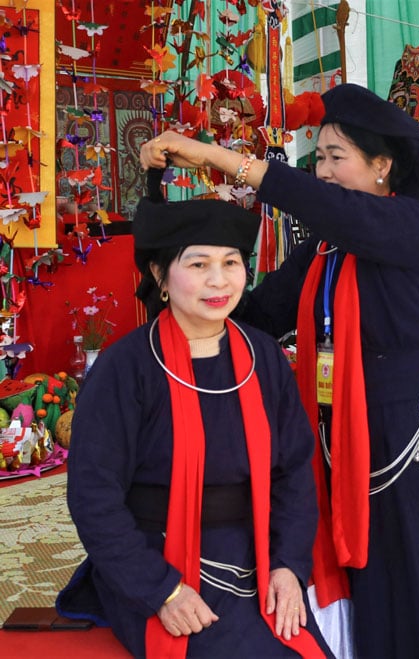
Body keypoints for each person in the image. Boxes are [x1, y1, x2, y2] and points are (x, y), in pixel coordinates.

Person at [139, 83, 419, 659]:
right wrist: (191, 286)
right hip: (350, 437)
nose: (325, 171)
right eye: (318, 158)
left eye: (338, 157)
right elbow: (260, 314)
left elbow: (324, 205)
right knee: (382, 586)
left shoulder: (411, 224)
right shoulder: (324, 251)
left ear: (382, 166)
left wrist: (216, 156)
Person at [56, 190, 332, 657]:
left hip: (252, 553)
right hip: (155, 559)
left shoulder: (262, 357)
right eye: (199, 265)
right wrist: (162, 590)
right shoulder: (127, 368)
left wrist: (288, 565)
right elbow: (93, 495)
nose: (218, 280)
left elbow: (294, 473)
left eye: (230, 263)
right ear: (161, 276)